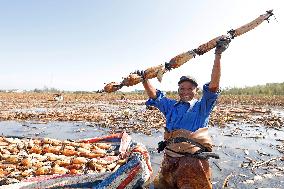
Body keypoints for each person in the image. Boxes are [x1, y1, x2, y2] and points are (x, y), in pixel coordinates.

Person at [142, 37, 231, 189]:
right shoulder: (170, 106)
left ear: (196, 90)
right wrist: (144, 79)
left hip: (193, 162)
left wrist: (218, 54)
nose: (186, 91)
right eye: (182, 88)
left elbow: (214, 85)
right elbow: (155, 96)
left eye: (190, 88)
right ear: (178, 90)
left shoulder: (203, 106)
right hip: (169, 159)